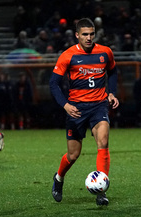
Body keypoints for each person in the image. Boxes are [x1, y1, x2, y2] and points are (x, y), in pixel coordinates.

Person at [49, 18, 119, 206]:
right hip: (76, 109)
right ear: (77, 35)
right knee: (73, 155)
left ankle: (101, 191)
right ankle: (59, 178)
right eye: (85, 34)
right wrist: (65, 105)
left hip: (99, 106)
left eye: (91, 34)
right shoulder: (68, 55)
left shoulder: (105, 52)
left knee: (103, 142)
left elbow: (112, 72)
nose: (88, 38)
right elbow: (53, 84)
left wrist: (111, 93)